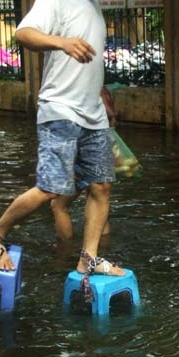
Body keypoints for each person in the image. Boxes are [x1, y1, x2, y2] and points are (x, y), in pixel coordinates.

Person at [0, 0, 125, 283]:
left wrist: (102, 94)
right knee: (51, 188)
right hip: (60, 109)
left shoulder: (93, 6)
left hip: (92, 112)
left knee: (102, 186)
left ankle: (87, 259)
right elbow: (23, 34)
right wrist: (60, 41)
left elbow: (88, 61)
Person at [51, 86, 116, 241]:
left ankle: (65, 250)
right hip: (100, 147)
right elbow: (111, 117)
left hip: (81, 149)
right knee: (97, 200)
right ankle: (102, 248)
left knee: (59, 205)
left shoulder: (79, 88)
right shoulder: (103, 89)